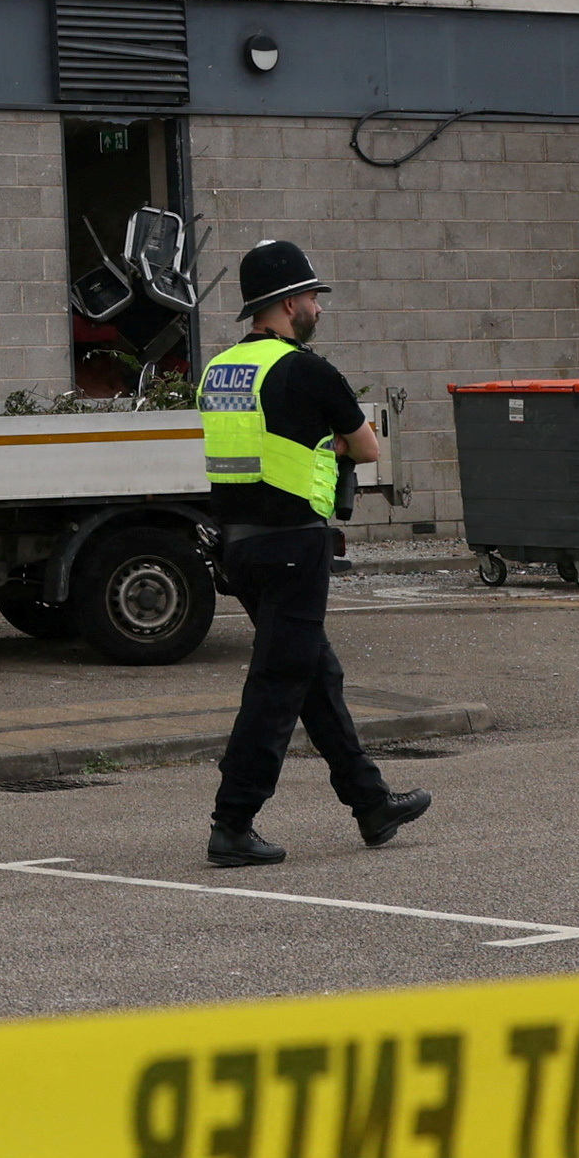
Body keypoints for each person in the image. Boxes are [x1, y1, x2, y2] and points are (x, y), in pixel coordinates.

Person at [192, 239, 432, 869]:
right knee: (277, 683)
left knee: (314, 675)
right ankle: (233, 823)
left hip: (239, 547)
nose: (318, 310)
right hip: (294, 545)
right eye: (313, 298)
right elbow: (368, 447)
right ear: (289, 302)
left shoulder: (218, 371)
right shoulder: (307, 370)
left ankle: (371, 802)